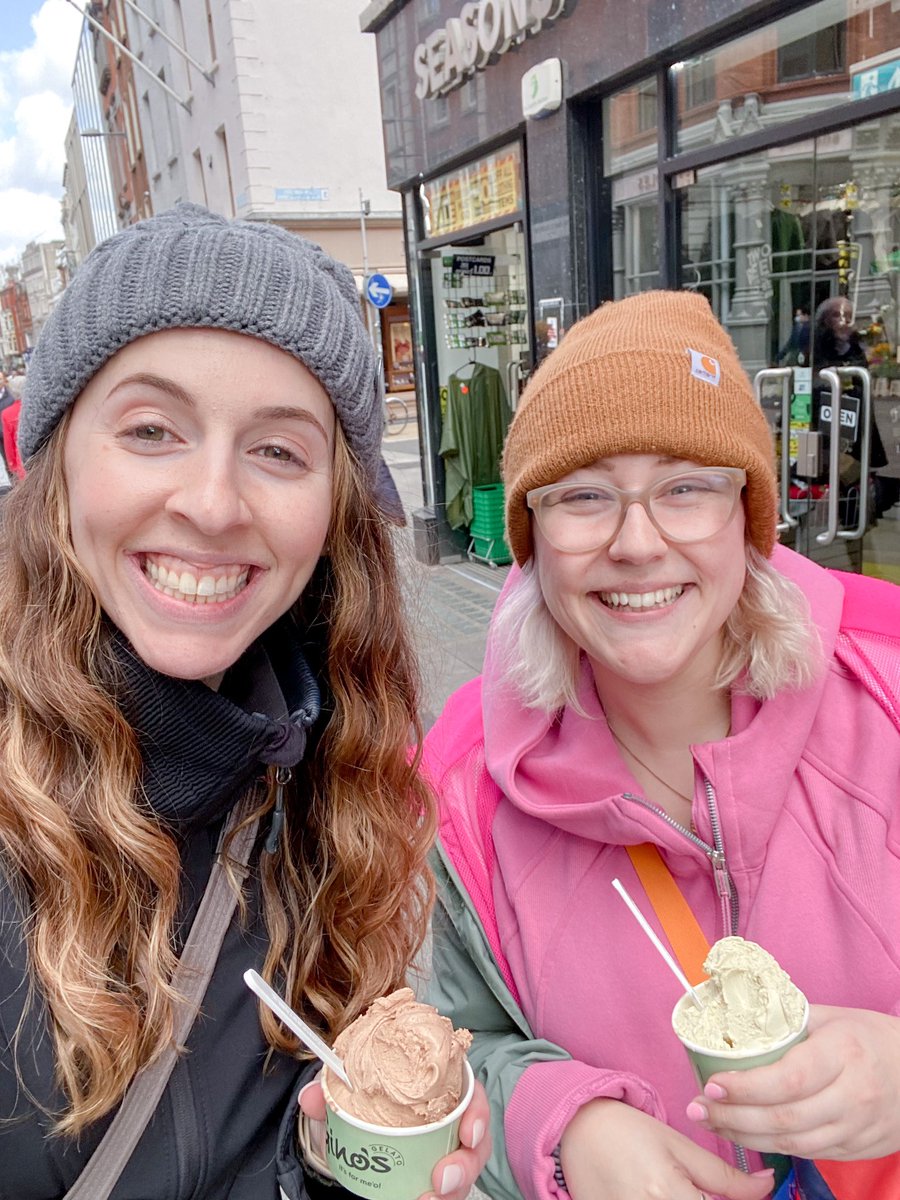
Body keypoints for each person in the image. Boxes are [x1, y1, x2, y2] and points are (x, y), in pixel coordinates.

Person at [0, 204, 489, 1200]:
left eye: (278, 451)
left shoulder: (324, 782)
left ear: (334, 513)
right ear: (56, 466)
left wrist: (339, 1163)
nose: (214, 503)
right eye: (151, 429)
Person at [422, 290, 900, 1200]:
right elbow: (460, 1054)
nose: (637, 544)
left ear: (748, 515)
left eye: (687, 486)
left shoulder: (888, 694)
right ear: (531, 540)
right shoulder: (472, 794)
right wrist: (563, 1127)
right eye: (584, 497)